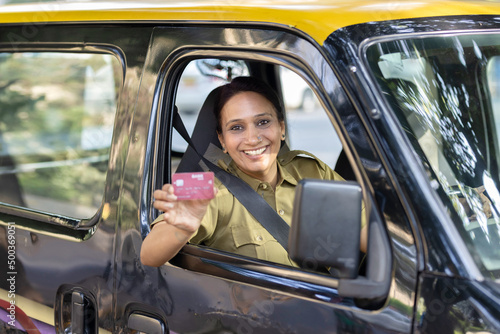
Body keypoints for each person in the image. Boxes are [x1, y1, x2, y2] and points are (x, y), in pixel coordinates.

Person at [141, 76, 367, 267]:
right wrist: (182, 227)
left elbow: (367, 232)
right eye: (236, 127)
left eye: (263, 122)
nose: (252, 138)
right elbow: (148, 255)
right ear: (222, 140)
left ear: (282, 128)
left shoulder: (311, 171)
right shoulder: (202, 185)